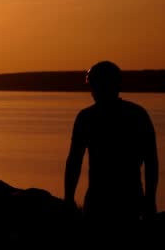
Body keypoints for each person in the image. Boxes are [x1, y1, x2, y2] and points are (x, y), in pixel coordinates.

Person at [64, 60, 159, 226]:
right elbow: (151, 162)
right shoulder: (137, 114)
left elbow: (74, 161)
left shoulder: (87, 118)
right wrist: (150, 200)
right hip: (128, 199)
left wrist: (69, 198)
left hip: (102, 201)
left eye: (94, 85)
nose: (93, 91)